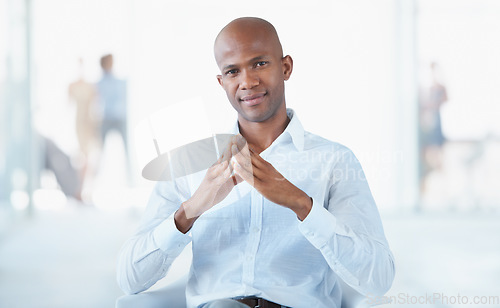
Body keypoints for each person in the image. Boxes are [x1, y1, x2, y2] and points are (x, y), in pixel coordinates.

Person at [117, 17, 395, 308]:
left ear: (285, 67)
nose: (248, 82)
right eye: (233, 71)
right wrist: (191, 210)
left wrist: (303, 205)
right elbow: (129, 279)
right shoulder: (189, 162)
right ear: (221, 82)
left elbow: (378, 278)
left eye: (260, 63)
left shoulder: (334, 161)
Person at [96, 54, 130, 181]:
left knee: (127, 151)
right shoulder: (99, 83)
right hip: (106, 119)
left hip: (120, 119)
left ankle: (130, 179)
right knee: (99, 152)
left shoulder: (120, 81)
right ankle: (95, 180)